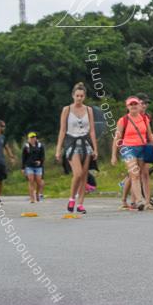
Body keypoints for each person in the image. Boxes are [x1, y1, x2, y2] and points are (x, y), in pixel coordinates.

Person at [56, 82, 98, 213]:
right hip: (72, 143)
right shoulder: (66, 110)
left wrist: (95, 148)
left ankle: (80, 204)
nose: (79, 98)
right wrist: (58, 149)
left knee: (84, 175)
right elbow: (62, 130)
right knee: (78, 173)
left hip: (85, 143)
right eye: (77, 95)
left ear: (84, 96)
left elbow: (91, 130)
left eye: (81, 96)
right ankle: (72, 198)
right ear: (73, 96)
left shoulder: (88, 110)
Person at [112, 97, 153, 211]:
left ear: (138, 106)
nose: (133, 106)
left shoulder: (144, 118)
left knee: (138, 175)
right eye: (131, 104)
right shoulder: (123, 120)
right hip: (128, 148)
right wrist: (113, 155)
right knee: (135, 174)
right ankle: (139, 200)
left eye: (135, 104)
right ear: (127, 107)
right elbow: (117, 138)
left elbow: (149, 133)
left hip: (142, 148)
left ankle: (134, 203)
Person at [22, 132, 46, 203]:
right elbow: (24, 157)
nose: (32, 139)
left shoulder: (40, 146)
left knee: (39, 181)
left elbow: (43, 155)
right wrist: (23, 167)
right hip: (29, 166)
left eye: (34, 137)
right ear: (28, 139)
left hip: (38, 166)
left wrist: (40, 162)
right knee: (31, 181)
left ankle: (37, 193)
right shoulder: (26, 147)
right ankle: (32, 196)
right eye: (31, 138)